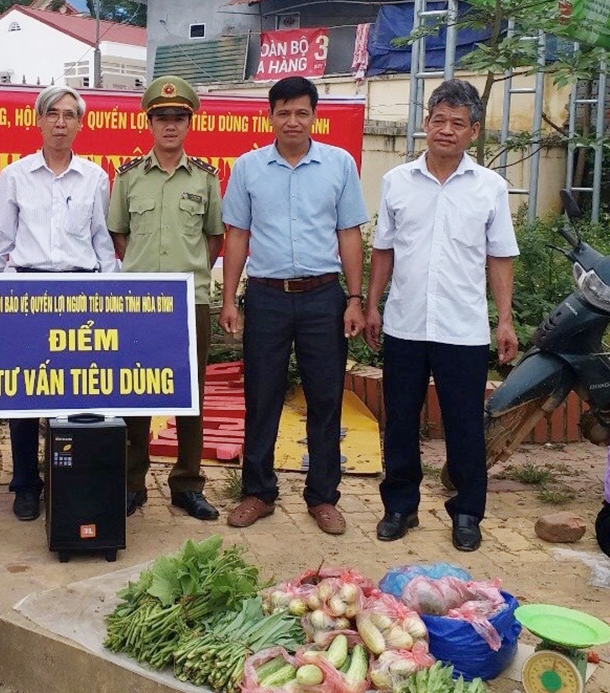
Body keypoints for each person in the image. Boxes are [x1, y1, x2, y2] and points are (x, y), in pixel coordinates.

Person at [364, 79, 519, 551]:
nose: (445, 130)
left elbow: (500, 258)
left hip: (463, 328)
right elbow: (384, 250)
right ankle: (399, 506)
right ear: (425, 124)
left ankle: (467, 512)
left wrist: (505, 320)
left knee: (464, 424)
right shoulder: (397, 182)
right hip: (405, 324)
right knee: (401, 420)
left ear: (474, 131)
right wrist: (372, 304)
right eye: (438, 120)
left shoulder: (490, 188)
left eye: (457, 123)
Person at [220, 76, 368, 535]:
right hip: (266, 297)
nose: (292, 121)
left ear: (313, 115)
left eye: (301, 112)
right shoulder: (248, 167)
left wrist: (355, 299)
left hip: (324, 297)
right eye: (283, 112)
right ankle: (258, 492)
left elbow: (349, 235)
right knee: (261, 395)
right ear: (270, 116)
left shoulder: (339, 164)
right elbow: (237, 236)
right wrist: (229, 298)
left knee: (325, 396)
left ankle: (323, 496)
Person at [0, 85, 117, 521]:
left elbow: (102, 242)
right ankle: (26, 484)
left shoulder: (96, 177)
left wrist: (111, 294)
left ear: (80, 124)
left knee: (80, 394)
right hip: (27, 294)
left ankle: (75, 482)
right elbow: (0, 244)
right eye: (52, 114)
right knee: (25, 397)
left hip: (82, 295)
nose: (60, 123)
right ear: (39, 121)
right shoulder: (15, 175)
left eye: (69, 115)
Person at [107, 75, 224, 521]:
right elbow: (119, 234)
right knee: (134, 392)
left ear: (188, 123)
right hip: (137, 302)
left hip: (189, 300)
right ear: (149, 123)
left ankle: (188, 484)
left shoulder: (206, 179)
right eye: (161, 118)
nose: (170, 125)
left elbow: (214, 238)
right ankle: (132, 483)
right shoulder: (129, 178)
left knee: (190, 395)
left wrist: (186, 270)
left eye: (178, 118)